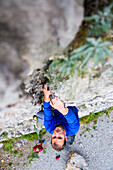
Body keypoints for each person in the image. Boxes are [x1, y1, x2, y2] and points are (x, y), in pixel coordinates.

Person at [42, 83, 80, 151]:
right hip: (69, 105)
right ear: (65, 138)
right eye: (60, 137)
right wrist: (61, 108)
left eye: (54, 137)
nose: (57, 133)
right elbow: (70, 117)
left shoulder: (49, 127)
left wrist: (46, 95)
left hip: (56, 108)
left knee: (41, 115)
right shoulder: (74, 129)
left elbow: (47, 110)